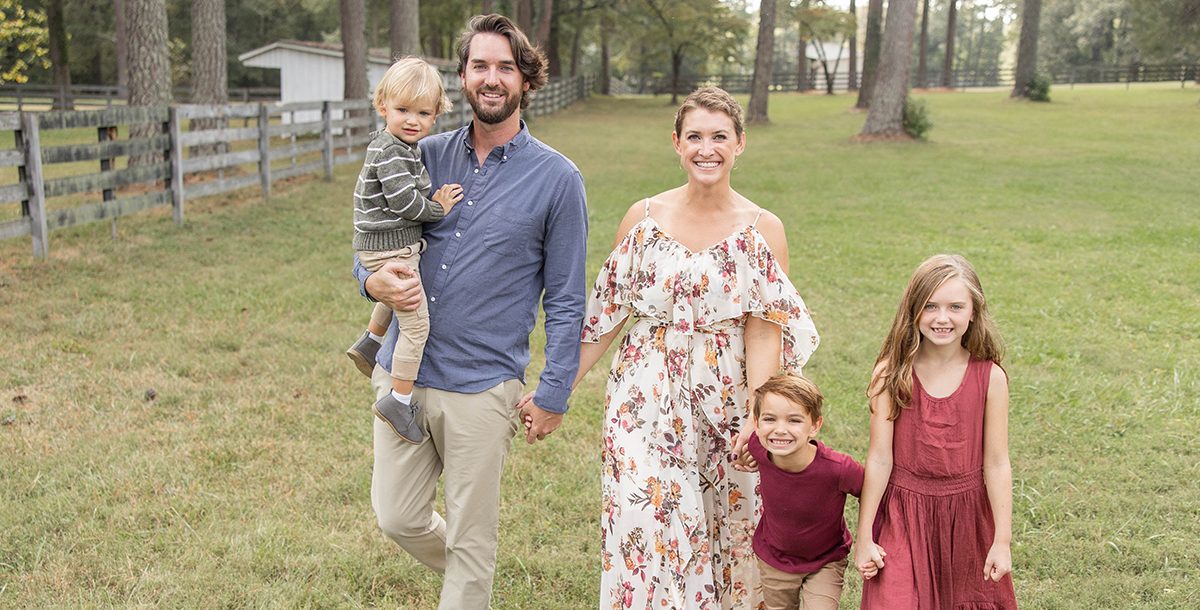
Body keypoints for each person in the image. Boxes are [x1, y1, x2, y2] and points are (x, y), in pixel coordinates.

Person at [528, 86, 819, 609]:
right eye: (694, 137)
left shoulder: (761, 229)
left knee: (725, 524)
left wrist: (757, 414)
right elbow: (603, 317)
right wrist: (555, 392)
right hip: (644, 394)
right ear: (676, 143)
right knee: (645, 518)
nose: (706, 149)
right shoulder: (642, 217)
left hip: (725, 397)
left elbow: (763, 328)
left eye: (719, 137)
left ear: (740, 144)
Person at [353, 14, 588, 610]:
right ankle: (468, 570)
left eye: (505, 67)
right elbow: (375, 237)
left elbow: (564, 296)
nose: (491, 78)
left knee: (473, 538)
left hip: (483, 387)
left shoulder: (558, 179)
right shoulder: (420, 153)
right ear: (462, 78)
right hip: (403, 376)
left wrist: (554, 390)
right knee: (398, 518)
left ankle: (469, 578)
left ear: (524, 80)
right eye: (479, 66)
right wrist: (370, 279)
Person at [854, 254, 1017, 609]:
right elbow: (880, 459)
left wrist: (1001, 540)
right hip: (903, 517)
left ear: (973, 312)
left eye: (955, 306)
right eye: (930, 306)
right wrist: (864, 535)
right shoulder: (890, 374)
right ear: (913, 310)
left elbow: (997, 463)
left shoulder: (990, 378)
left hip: (967, 521)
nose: (942, 318)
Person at [346, 56, 465, 443]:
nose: (412, 120)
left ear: (435, 116)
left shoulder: (399, 145)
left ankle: (371, 341)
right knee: (416, 325)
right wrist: (438, 207)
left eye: (423, 112)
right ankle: (399, 399)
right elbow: (405, 204)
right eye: (402, 110)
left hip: (391, 246)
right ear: (383, 106)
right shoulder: (392, 152)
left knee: (395, 293)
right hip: (386, 248)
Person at [741, 374, 864, 610]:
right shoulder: (758, 447)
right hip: (774, 560)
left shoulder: (838, 469)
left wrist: (869, 536)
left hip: (826, 560)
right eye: (769, 419)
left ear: (815, 426)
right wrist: (741, 458)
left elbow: (871, 492)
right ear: (756, 423)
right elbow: (745, 450)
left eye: (794, 420)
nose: (780, 430)